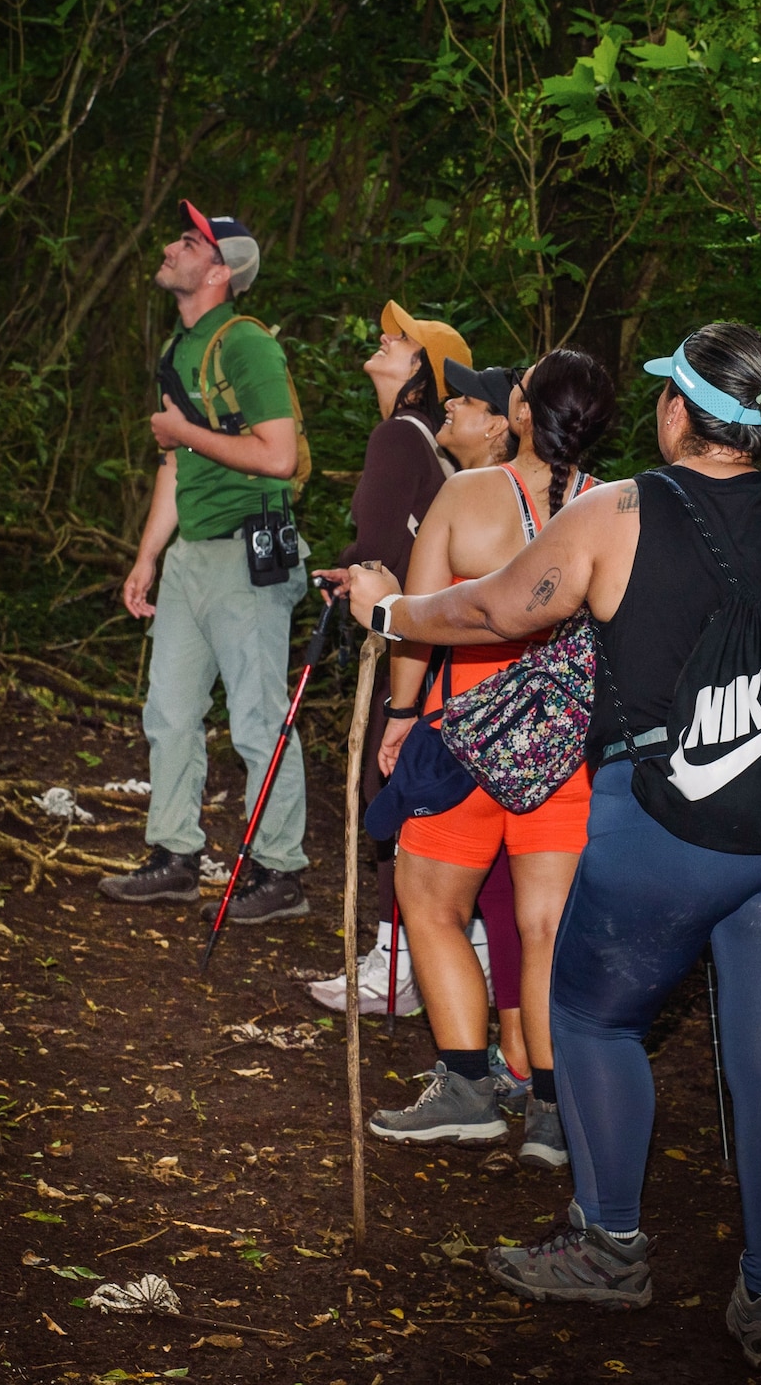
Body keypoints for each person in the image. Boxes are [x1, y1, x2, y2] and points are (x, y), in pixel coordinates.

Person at [342, 321, 761, 1368]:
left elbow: (499, 606)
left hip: (673, 816)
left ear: (677, 412)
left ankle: (610, 1247)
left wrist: (392, 614)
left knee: (591, 1020)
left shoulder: (618, 512)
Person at [332, 349, 618, 1172]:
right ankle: (554, 1114)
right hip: (568, 750)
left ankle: (466, 1086)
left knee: (429, 903)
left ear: (520, 414)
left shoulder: (465, 497)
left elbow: (418, 621)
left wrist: (402, 713)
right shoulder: (621, 510)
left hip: (467, 741)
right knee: (546, 927)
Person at [99, 199, 311, 920]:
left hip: (248, 555)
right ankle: (175, 856)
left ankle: (280, 872)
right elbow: (174, 466)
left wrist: (184, 431)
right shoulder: (178, 352)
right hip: (192, 555)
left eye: (188, 241)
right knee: (170, 711)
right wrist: (147, 557)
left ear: (221, 270)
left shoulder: (245, 344)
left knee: (257, 720)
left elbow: (278, 457)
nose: (171, 245)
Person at [304, 302, 473, 1015]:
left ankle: (396, 961)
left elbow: (375, 539)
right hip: (436, 636)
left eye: (401, 341)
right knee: (420, 797)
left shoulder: (396, 441)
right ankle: (441, 951)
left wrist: (349, 569)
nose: (385, 338)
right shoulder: (429, 449)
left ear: (419, 378)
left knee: (387, 794)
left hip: (407, 636)